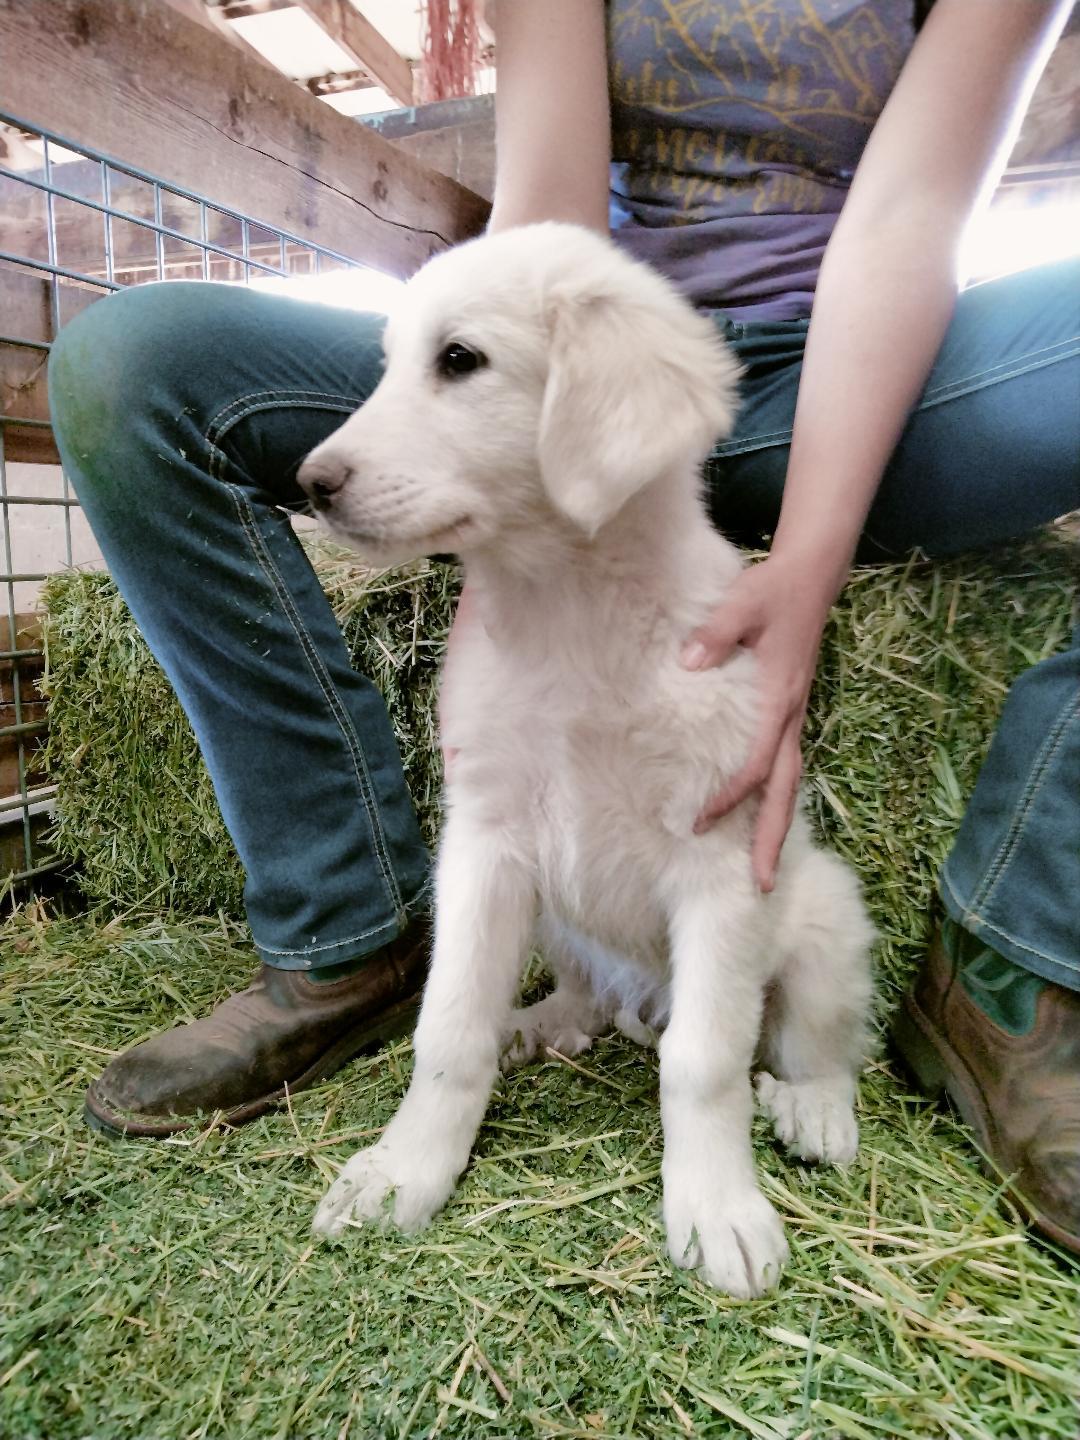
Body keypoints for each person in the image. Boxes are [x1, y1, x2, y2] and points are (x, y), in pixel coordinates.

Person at [48, 1, 1078, 1249]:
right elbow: (542, 221)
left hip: (891, 378)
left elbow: (911, 215)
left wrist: (809, 564)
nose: (340, 456)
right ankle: (350, 937)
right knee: (129, 363)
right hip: (567, 365)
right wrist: (504, 518)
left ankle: (1009, 968)